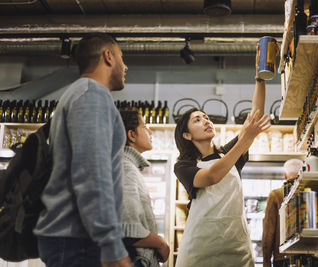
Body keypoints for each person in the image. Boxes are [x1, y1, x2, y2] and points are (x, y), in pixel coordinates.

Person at [34, 33, 131, 267]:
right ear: (108, 56)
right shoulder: (92, 95)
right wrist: (111, 245)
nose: (125, 66)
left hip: (75, 239)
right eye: (121, 57)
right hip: (80, 241)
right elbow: (91, 173)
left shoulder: (79, 93)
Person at [173, 45, 271, 267]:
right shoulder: (183, 165)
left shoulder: (228, 154)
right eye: (197, 120)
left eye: (206, 117)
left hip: (236, 248)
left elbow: (255, 114)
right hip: (199, 251)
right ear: (186, 135)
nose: (206, 121)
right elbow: (211, 177)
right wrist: (245, 140)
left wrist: (260, 77)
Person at [119, 110, 170, 267]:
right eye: (145, 126)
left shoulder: (126, 165)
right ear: (131, 135)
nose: (150, 131)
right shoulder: (125, 167)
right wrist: (161, 243)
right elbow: (127, 228)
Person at [262, 159, 304, 267]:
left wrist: (266, 261)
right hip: (307, 256)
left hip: (282, 258)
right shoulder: (309, 193)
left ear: (285, 175)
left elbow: (268, 232)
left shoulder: (276, 195)